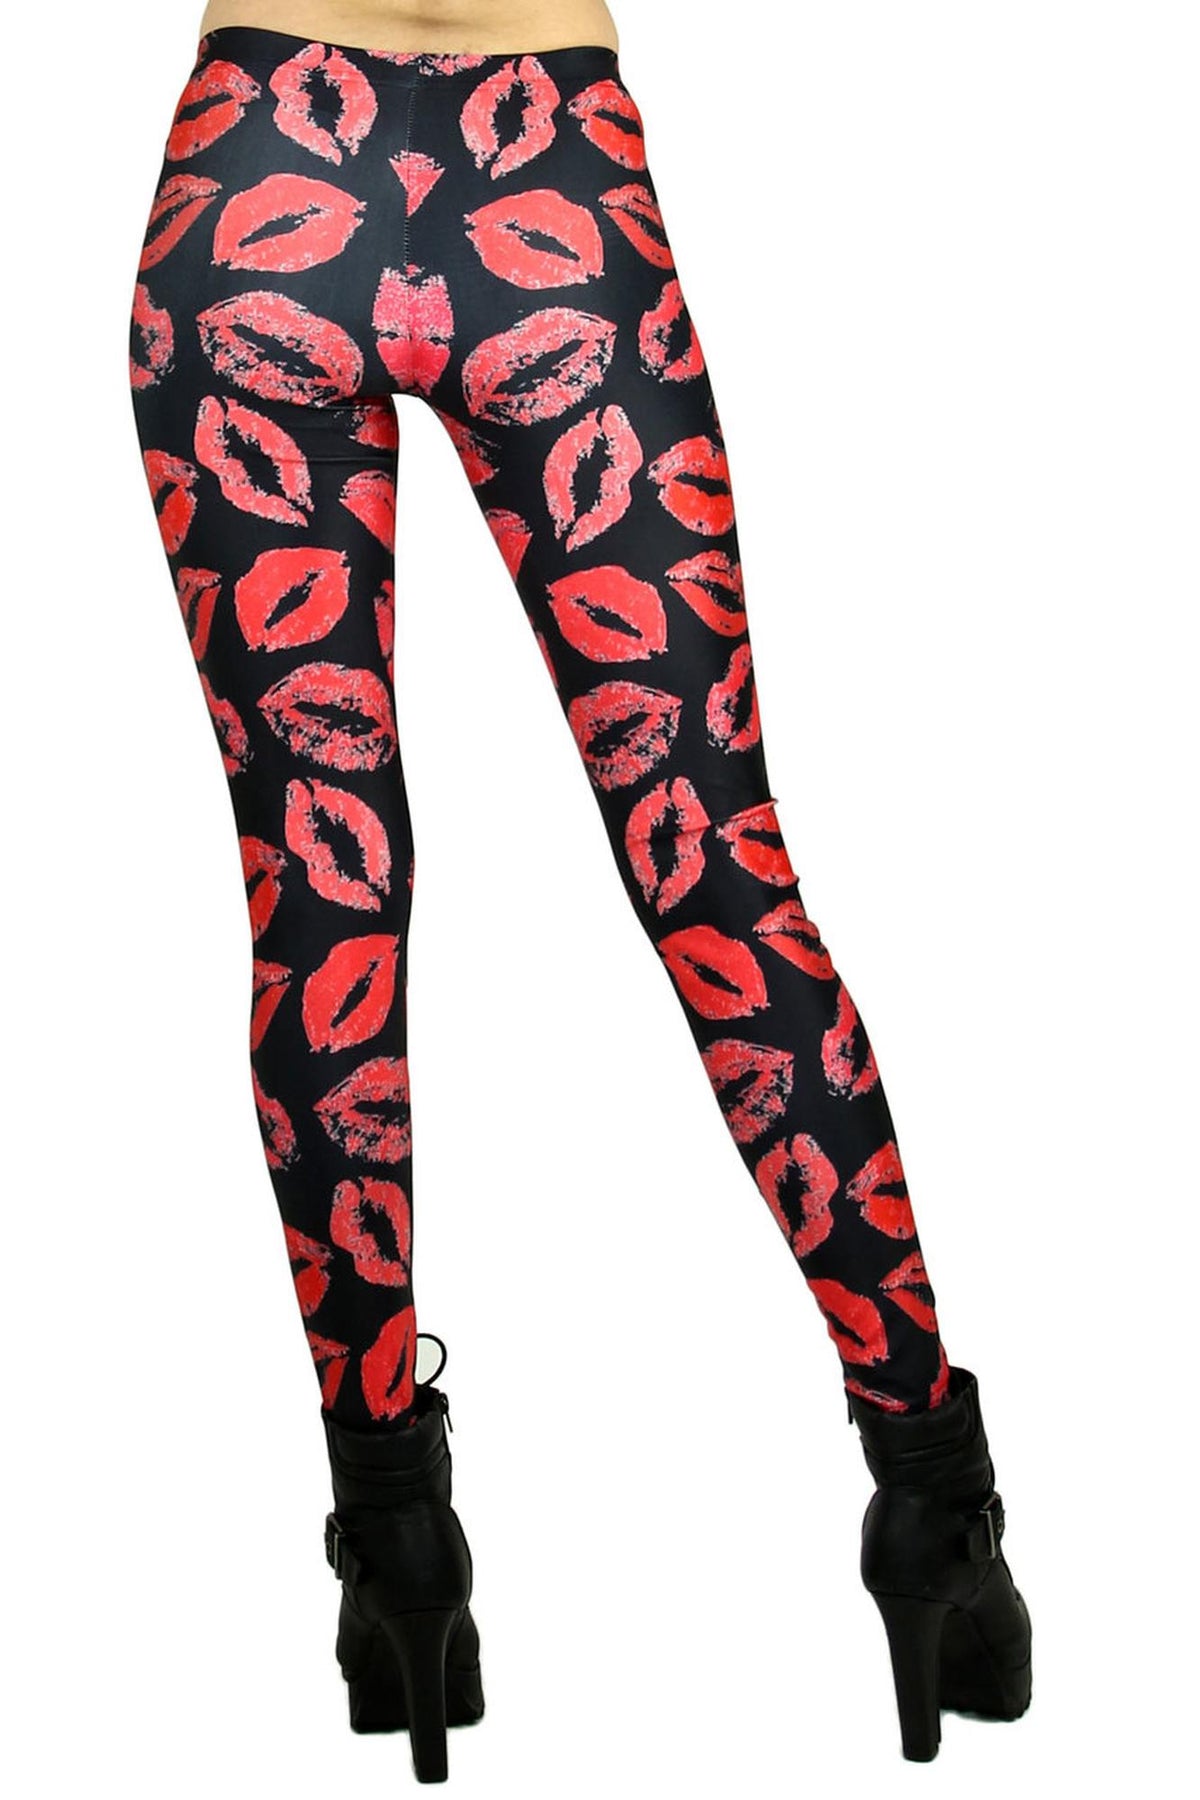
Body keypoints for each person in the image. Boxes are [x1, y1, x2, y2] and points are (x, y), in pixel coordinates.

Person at [128, 0, 1032, 1775]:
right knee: (716, 862)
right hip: (549, 176)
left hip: (252, 176)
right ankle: (936, 1505)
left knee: (320, 894)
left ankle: (393, 1538)